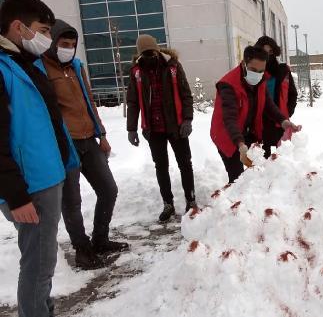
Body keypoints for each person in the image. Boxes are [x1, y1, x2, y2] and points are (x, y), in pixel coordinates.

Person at [0, 0, 79, 316]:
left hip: (46, 177)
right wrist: (16, 197)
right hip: (29, 186)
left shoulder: (25, 64)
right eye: (43, 30)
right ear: (19, 27)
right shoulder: (4, 70)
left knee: (42, 263)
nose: (48, 38)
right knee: (38, 266)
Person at [42, 19, 128, 270]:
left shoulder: (77, 67)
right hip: (65, 144)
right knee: (72, 201)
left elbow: (89, 101)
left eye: (72, 44)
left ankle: (100, 239)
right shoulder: (41, 68)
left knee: (108, 189)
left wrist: (101, 133)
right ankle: (82, 248)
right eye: (63, 43)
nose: (68, 48)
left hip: (89, 139)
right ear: (53, 43)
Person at [126, 34, 195, 222]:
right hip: (153, 129)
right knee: (161, 167)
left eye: (152, 52)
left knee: (185, 164)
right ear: (140, 54)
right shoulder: (136, 72)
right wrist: (131, 128)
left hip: (177, 127)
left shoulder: (172, 67)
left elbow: (186, 94)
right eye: (145, 53)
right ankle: (168, 204)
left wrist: (187, 119)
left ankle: (191, 200)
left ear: (157, 50)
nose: (149, 56)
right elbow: (132, 101)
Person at [211, 46, 301, 184]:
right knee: (238, 178)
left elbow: (269, 106)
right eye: (253, 70)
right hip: (228, 135)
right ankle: (236, 202)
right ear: (243, 64)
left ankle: (256, 201)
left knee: (256, 172)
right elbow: (229, 119)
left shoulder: (260, 80)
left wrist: (283, 121)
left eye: (261, 71)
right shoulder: (228, 85)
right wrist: (240, 145)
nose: (257, 75)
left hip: (247, 132)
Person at [254, 36, 298, 158]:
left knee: (282, 160)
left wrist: (287, 111)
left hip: (280, 121)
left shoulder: (283, 71)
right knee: (261, 159)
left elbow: (292, 93)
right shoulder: (254, 72)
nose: (267, 55)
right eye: (263, 51)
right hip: (260, 123)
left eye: (270, 51)